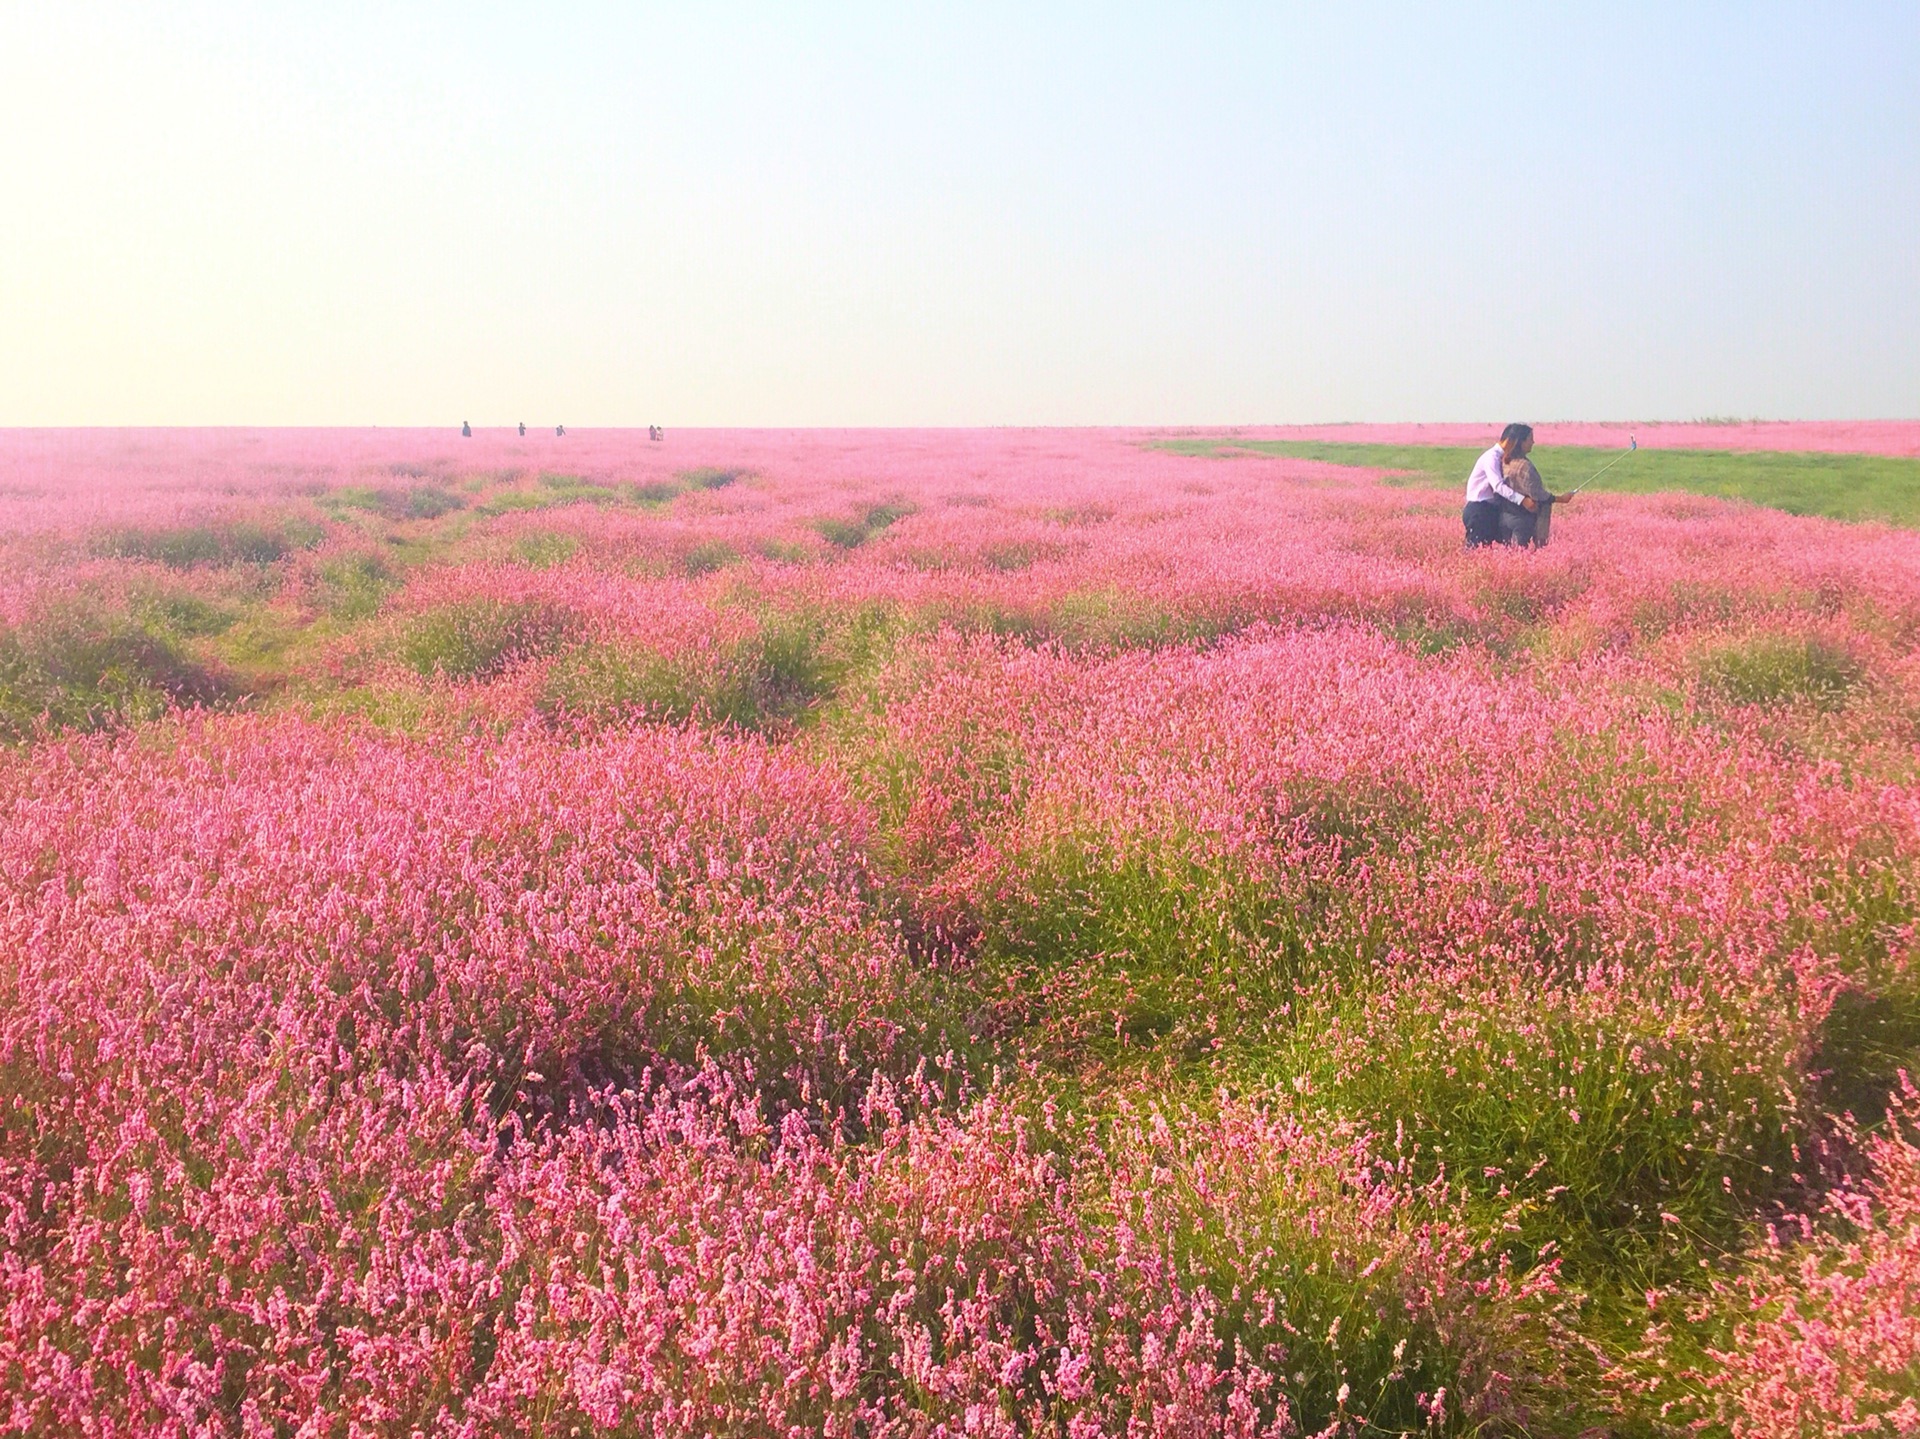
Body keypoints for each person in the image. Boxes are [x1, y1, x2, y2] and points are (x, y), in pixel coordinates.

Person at [1463, 424, 1537, 548]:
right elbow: (1498, 486)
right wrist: (1522, 500)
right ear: (1513, 441)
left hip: (1490, 509)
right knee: (1475, 551)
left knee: (1488, 551)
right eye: (1529, 439)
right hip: (1479, 510)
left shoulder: (1504, 458)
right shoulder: (1491, 457)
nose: (1533, 442)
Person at [1502, 449, 1571, 547]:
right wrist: (1561, 499)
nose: (1533, 442)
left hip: (1506, 515)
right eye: (1530, 439)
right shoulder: (1524, 466)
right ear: (1522, 441)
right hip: (1523, 517)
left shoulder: (1506, 462)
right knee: (1521, 552)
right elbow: (1539, 495)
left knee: (1509, 550)